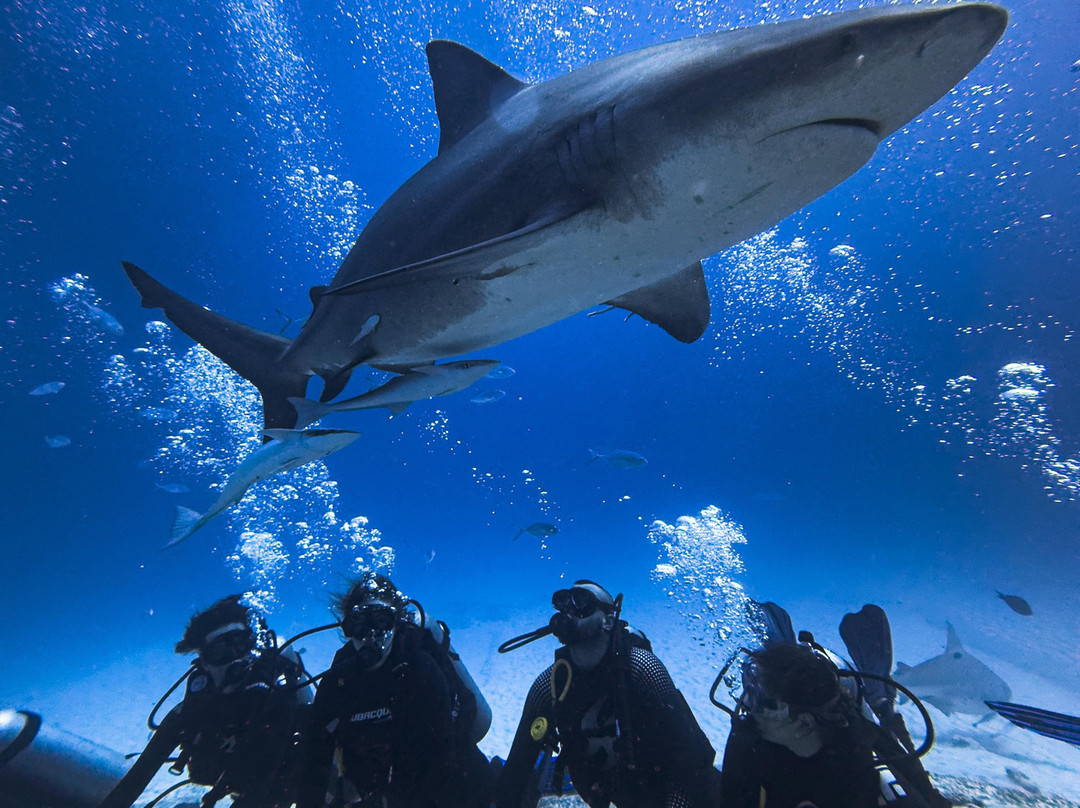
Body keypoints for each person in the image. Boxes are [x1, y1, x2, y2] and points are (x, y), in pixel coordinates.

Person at [495, 580, 719, 808]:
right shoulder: (550, 685)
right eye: (563, 603)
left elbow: (690, 760)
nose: (568, 611)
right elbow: (517, 768)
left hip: (672, 792)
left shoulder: (642, 668)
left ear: (608, 621)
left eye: (581, 601)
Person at [297, 572, 494, 808]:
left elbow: (441, 759)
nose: (370, 635)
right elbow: (314, 759)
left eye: (381, 621)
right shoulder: (337, 682)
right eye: (358, 624)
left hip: (449, 786)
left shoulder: (420, 670)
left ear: (396, 623)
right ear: (347, 628)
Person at [98, 594, 312, 808]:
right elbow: (134, 781)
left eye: (240, 644)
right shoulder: (191, 711)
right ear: (204, 664)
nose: (235, 658)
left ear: (251, 647)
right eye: (220, 651)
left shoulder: (278, 697)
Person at [719, 642, 883, 808]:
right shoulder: (749, 736)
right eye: (751, 693)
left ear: (804, 722)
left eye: (764, 702)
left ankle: (884, 707)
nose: (749, 707)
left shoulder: (852, 763)